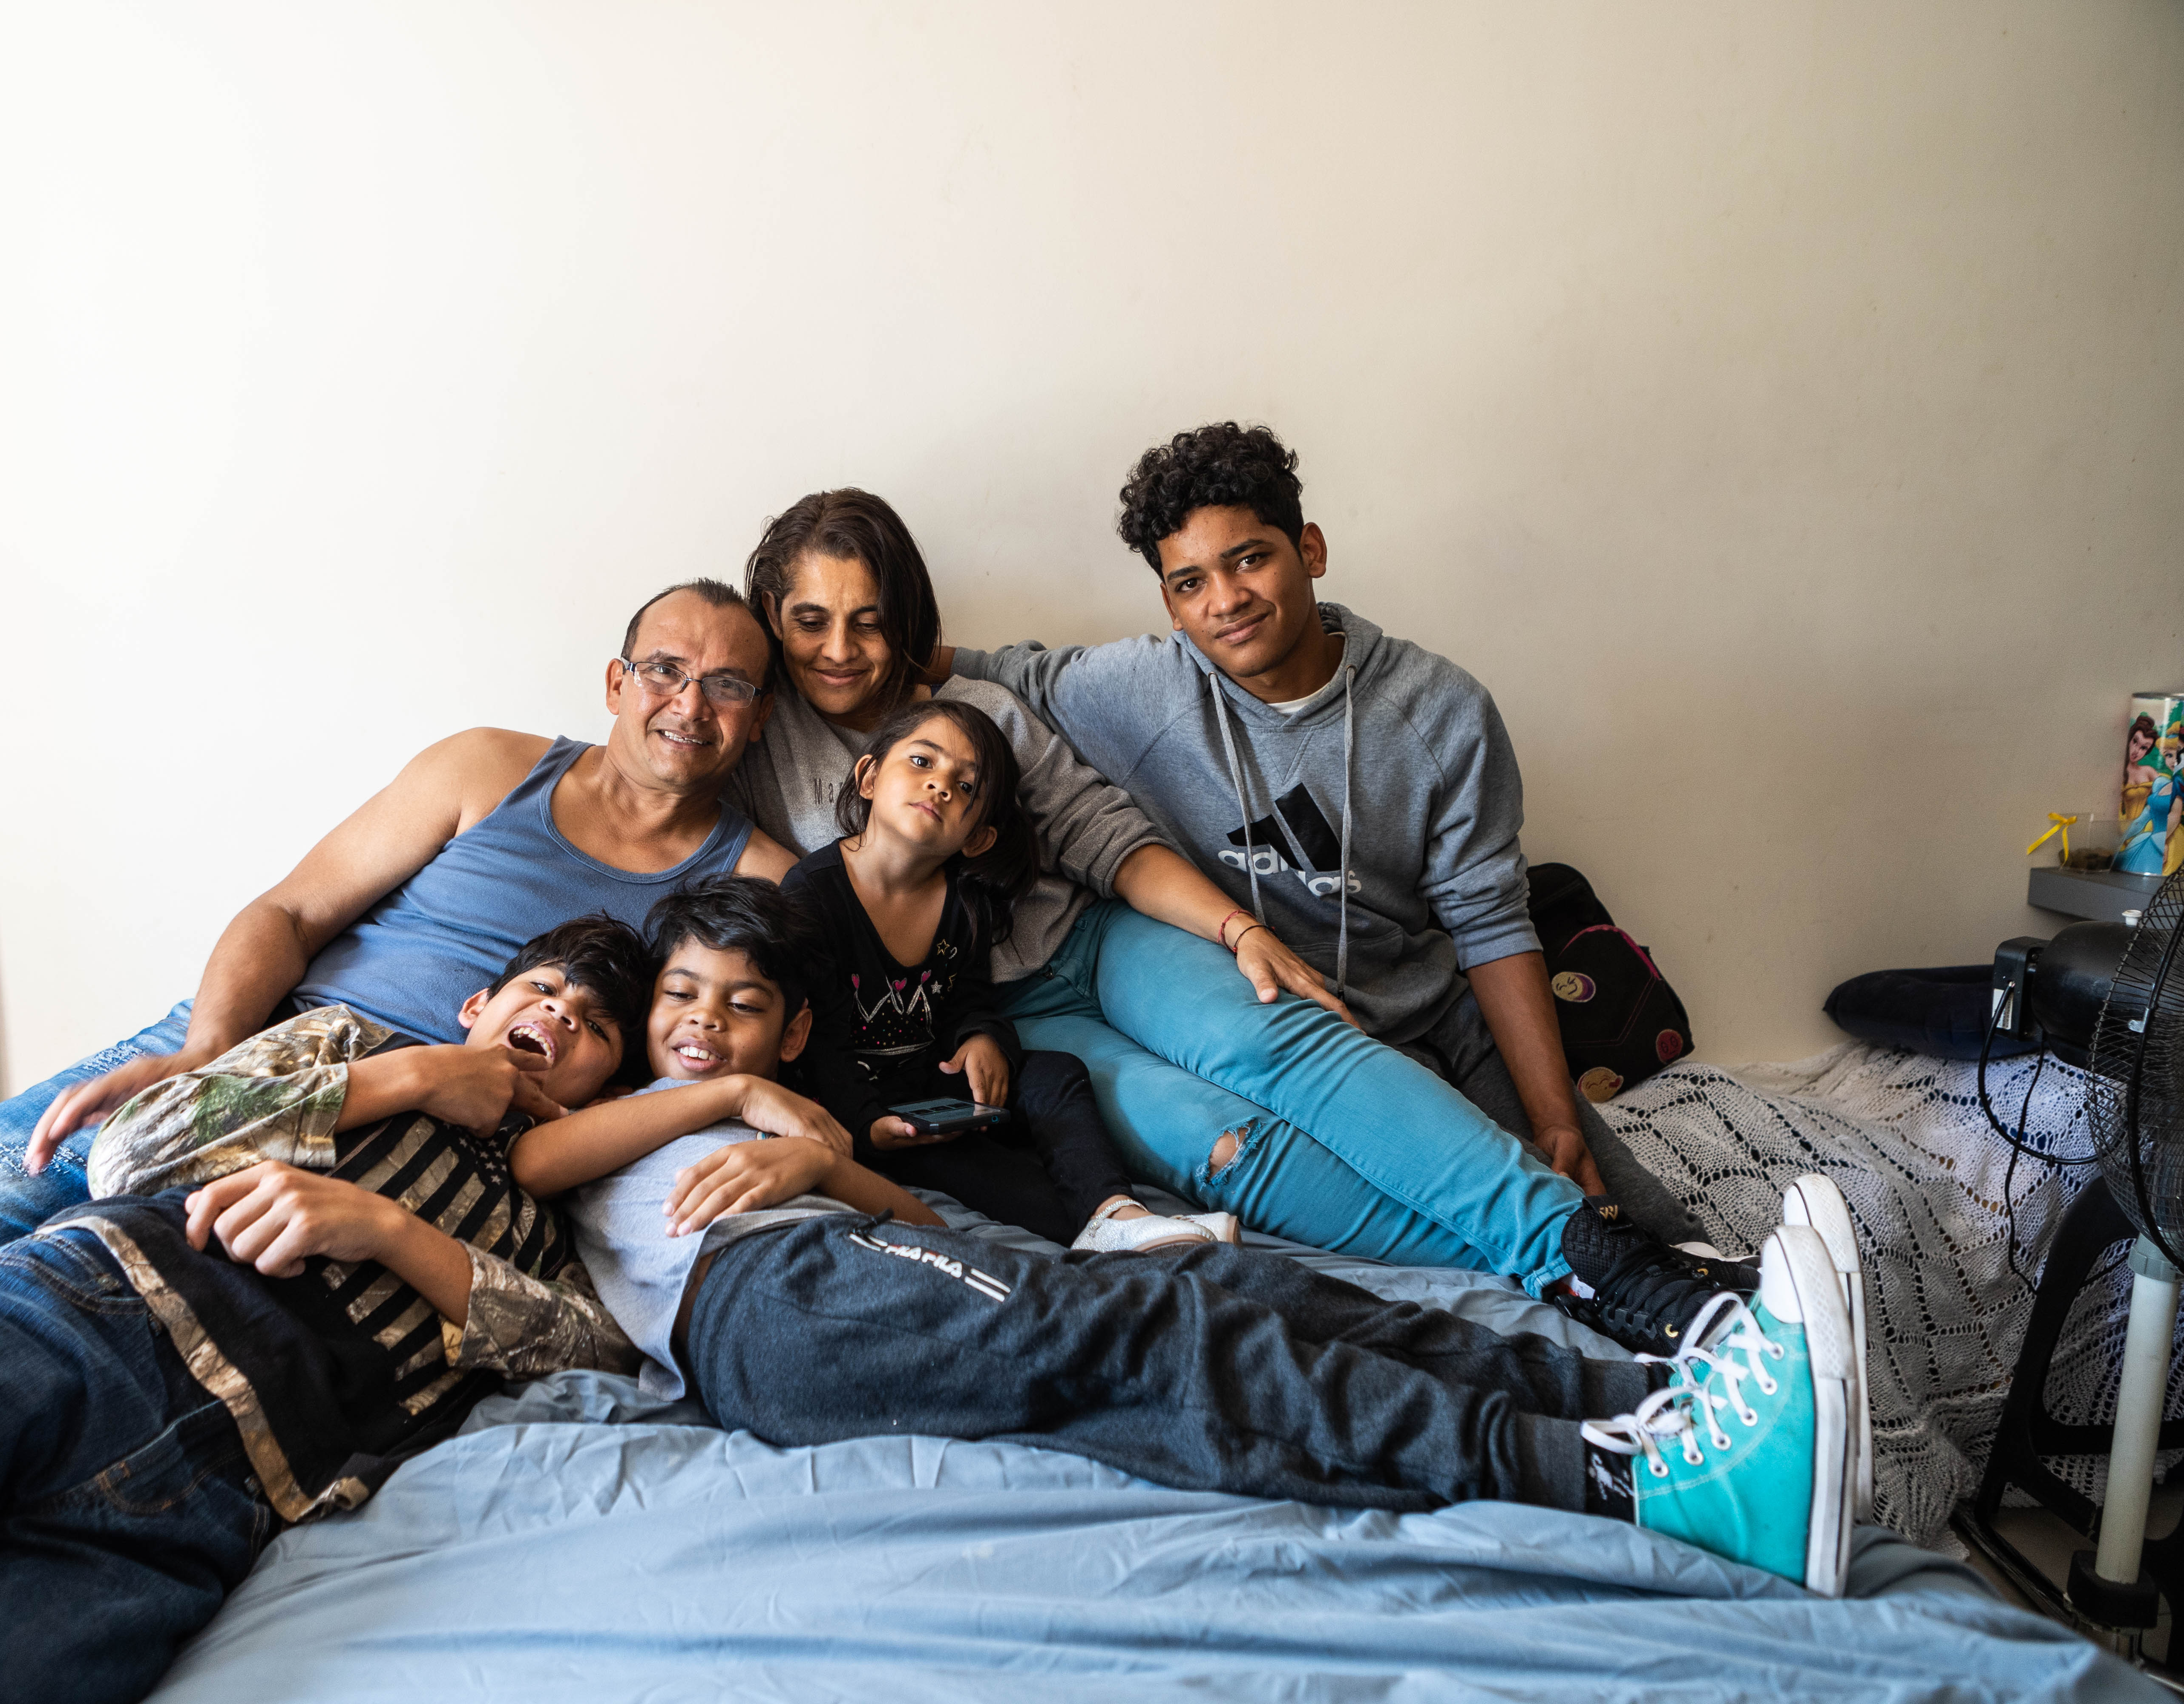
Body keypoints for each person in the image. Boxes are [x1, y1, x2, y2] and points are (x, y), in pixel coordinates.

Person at [507, 878, 1870, 1600]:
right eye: (677, 998)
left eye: (741, 1008)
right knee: (1159, 1328)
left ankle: (1656, 1397)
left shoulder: (781, 1121)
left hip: (848, 1265)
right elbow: (530, 1146)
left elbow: (913, 1217)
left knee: (1223, 1279)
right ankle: (1628, 1484)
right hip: (768, 1305)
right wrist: (739, 1097)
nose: (702, 1021)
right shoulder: (611, 1128)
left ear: (796, 1027)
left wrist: (816, 1155)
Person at [0, 578, 797, 1436]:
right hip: (248, 1051)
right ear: (615, 682)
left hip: (430, 1143)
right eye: (663, 669)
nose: (688, 705)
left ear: (759, 720)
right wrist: (204, 1051)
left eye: (730, 686)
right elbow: (293, 912)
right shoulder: (490, 766)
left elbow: (804, 1025)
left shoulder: (763, 882)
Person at [735, 489, 1723, 1350]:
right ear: (773, 622)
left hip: (1101, 940)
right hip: (1007, 1018)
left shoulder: (977, 703)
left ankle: (1604, 1255)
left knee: (1283, 1042)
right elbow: (660, 794)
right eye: (811, 621)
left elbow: (1103, 836)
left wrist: (1237, 931)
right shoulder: (758, 741)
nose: (839, 650)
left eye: (868, 620)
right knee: (1222, 1147)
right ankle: (1569, 1268)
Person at [0, 919, 651, 1703]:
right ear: (478, 1002)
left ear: (612, 1087)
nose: (561, 1016)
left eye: (596, 1026)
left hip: (206, 1503)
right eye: (544, 989)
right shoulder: (349, 1041)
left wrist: (382, 1229)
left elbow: (591, 1352)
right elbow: (129, 1153)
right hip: (59, 1324)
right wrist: (414, 1074)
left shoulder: (548, 1231)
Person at [944, 424, 1701, 1242]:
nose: (1225, 601)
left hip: (1428, 1007)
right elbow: (970, 668)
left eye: (1250, 559)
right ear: (1169, 602)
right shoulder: (1137, 687)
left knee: (1625, 1208)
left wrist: (1554, 1114)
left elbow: (1490, 921)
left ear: (1311, 548)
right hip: (1294, 1033)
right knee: (1469, 1222)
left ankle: (1732, 1306)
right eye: (1191, 582)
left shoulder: (1441, 710)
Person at [781, 697, 1223, 1250]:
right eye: (922, 762)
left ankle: (1116, 1211)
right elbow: (816, 1044)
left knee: (1056, 1074)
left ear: (978, 837)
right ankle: (1099, 1239)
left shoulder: (964, 902)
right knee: (1000, 1182)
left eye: (966, 787)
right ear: (869, 776)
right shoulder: (811, 895)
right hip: (858, 1111)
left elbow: (966, 998)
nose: (941, 785)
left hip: (933, 1089)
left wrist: (982, 1037)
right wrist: (868, 1124)